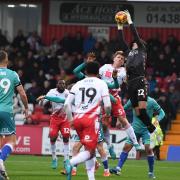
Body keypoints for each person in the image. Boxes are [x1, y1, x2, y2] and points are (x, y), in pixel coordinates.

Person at [64, 61, 111, 180]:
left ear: (85, 72)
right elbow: (108, 105)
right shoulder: (101, 83)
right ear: (98, 72)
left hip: (78, 118)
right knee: (90, 152)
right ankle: (71, 163)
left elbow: (66, 104)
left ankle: (91, 178)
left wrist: (70, 120)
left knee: (88, 149)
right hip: (91, 119)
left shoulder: (77, 84)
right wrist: (107, 115)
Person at [116, 10, 156, 133]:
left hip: (140, 81)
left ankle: (152, 128)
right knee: (138, 113)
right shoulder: (129, 53)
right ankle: (150, 127)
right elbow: (120, 40)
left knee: (142, 110)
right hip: (130, 84)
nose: (133, 43)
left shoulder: (142, 49)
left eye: (135, 43)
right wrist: (120, 26)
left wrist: (129, 21)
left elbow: (135, 35)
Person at [73, 52, 118, 157]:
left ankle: (108, 148)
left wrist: (115, 79)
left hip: (96, 116)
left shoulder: (101, 83)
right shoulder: (85, 80)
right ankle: (98, 159)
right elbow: (75, 71)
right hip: (85, 114)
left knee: (97, 141)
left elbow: (114, 86)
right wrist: (86, 63)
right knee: (88, 144)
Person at [110, 96, 165, 179]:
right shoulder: (133, 99)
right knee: (126, 148)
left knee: (148, 149)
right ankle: (118, 168)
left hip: (146, 130)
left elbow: (162, 113)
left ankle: (151, 172)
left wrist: (157, 120)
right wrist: (119, 119)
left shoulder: (151, 101)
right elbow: (122, 109)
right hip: (135, 129)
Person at [99, 50, 140, 149]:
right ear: (114, 58)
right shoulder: (105, 67)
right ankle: (109, 146)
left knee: (123, 120)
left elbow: (129, 82)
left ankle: (135, 143)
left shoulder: (124, 71)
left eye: (122, 59)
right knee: (104, 125)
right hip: (103, 98)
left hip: (114, 97)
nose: (120, 59)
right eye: (118, 57)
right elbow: (97, 78)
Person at [0, 50, 29, 179]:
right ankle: (1, 160)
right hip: (6, 110)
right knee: (12, 140)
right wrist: (26, 107)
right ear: (6, 60)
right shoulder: (13, 74)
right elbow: (22, 93)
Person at [36, 79, 70, 170]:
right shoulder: (52, 92)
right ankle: (54, 158)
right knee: (52, 136)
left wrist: (45, 97)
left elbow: (61, 100)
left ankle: (66, 160)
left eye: (64, 83)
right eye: (60, 83)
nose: (62, 85)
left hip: (65, 119)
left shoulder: (68, 93)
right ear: (57, 85)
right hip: (55, 119)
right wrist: (42, 101)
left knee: (66, 136)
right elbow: (44, 102)